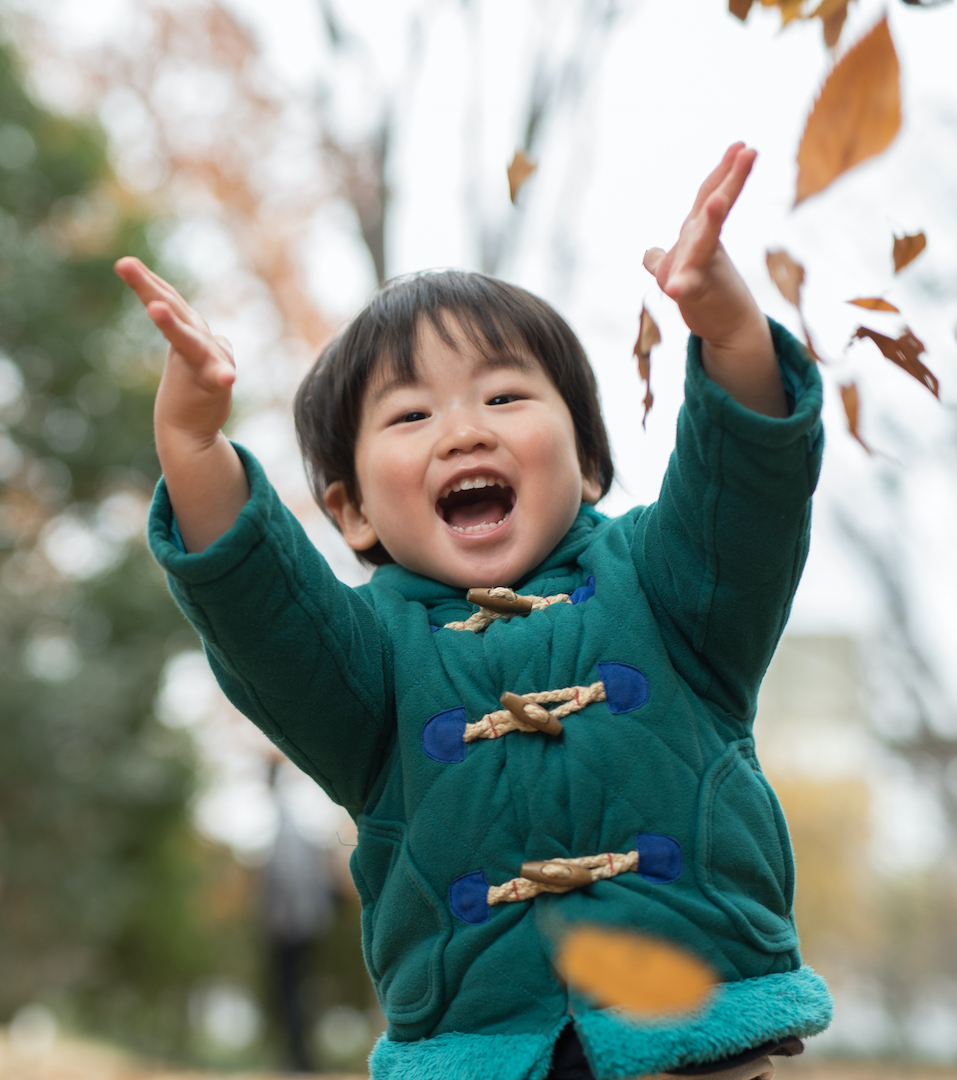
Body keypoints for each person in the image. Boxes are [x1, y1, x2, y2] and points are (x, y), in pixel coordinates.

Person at [116, 143, 832, 1080]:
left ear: (585, 462)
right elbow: (262, 612)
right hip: (485, 1056)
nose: (464, 429)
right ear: (353, 512)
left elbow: (746, 493)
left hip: (696, 1040)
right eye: (411, 417)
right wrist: (193, 444)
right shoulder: (366, 664)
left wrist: (732, 334)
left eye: (504, 395)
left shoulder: (667, 588)